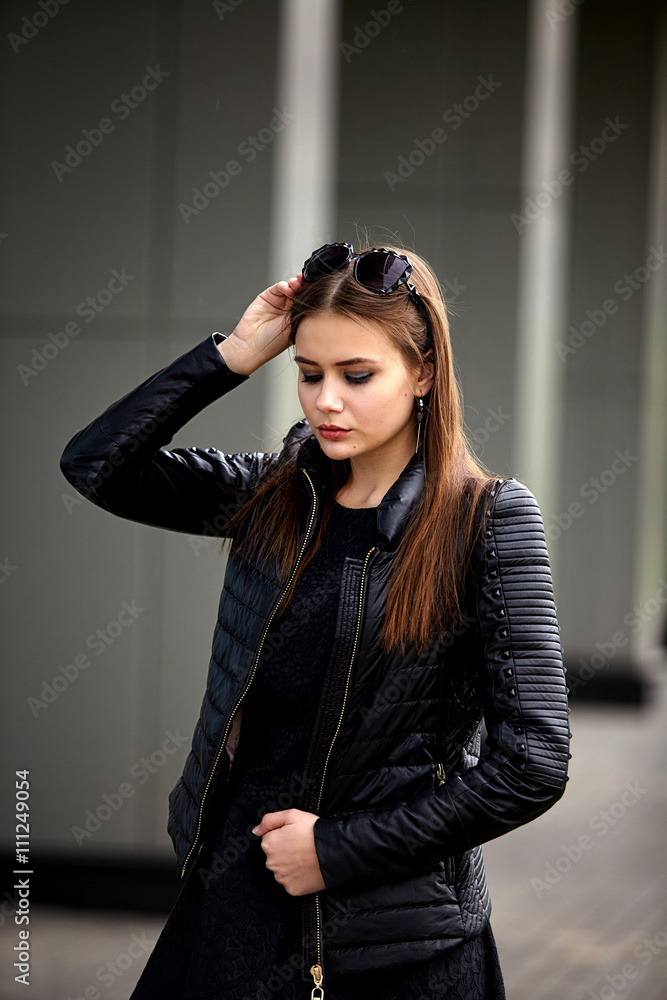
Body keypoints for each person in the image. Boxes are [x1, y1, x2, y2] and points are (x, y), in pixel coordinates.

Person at [59, 241, 571, 1000]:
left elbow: (532, 762)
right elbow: (98, 464)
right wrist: (231, 356)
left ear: (423, 372)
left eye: (356, 376)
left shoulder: (486, 522)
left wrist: (337, 849)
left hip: (390, 941)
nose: (325, 401)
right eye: (308, 374)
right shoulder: (277, 494)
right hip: (234, 897)